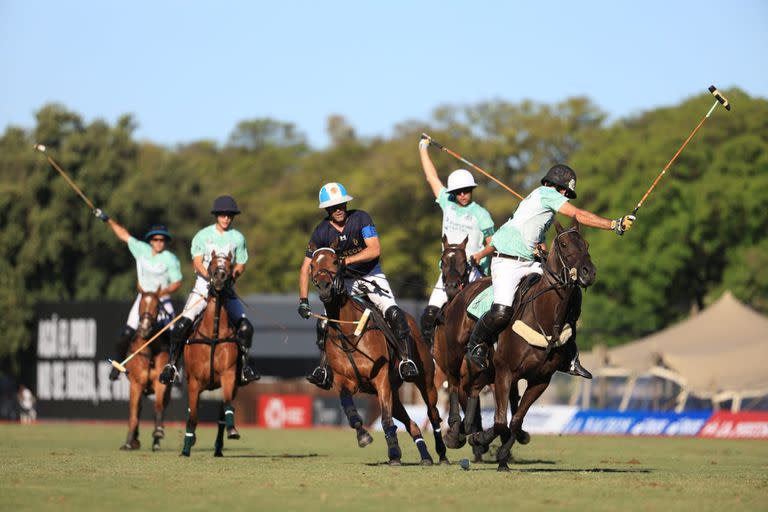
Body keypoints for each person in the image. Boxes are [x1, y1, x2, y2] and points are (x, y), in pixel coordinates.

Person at [465, 164, 635, 372]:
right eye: (565, 191)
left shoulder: (543, 206)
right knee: (501, 312)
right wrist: (614, 224)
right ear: (556, 187)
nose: (565, 196)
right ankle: (476, 344)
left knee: (567, 292)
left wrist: (542, 252)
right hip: (507, 261)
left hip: (528, 261)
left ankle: (570, 355)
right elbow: (578, 215)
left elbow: (538, 240)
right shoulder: (546, 194)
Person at [298, 182, 419, 388]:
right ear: (326, 209)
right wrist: (303, 300)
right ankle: (324, 368)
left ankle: (406, 360)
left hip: (371, 275)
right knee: (324, 323)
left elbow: (374, 249)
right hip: (344, 282)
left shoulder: (361, 218)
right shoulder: (320, 233)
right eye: (334, 206)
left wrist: (345, 261)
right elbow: (305, 268)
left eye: (342, 204)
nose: (339, 209)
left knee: (395, 314)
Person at [158, 195, 259, 386]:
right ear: (216, 215)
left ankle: (244, 367)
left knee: (246, 328)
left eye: (230, 215)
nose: (226, 218)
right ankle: (171, 366)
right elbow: (197, 262)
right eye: (223, 214)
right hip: (204, 287)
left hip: (227, 289)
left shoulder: (238, 238)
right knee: (180, 326)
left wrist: (233, 276)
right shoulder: (203, 236)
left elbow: (241, 263)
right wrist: (210, 278)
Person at [418, 137, 495, 346]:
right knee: (427, 318)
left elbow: (493, 244)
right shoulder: (447, 203)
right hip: (447, 273)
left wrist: (479, 255)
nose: (462, 195)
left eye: (467, 190)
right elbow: (431, 178)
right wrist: (423, 148)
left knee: (486, 318)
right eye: (458, 192)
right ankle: (431, 361)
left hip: (471, 272)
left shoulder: (481, 214)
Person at [93, 209, 182, 381]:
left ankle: (173, 370)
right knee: (126, 333)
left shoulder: (170, 259)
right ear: (151, 240)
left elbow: (177, 282)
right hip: (143, 300)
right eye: (156, 239)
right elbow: (124, 235)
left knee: (175, 334)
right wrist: (107, 220)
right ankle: (118, 364)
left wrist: (163, 292)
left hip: (162, 299)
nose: (159, 242)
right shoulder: (141, 250)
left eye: (162, 239)